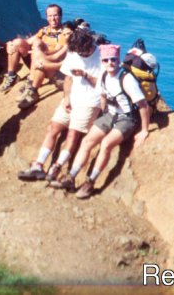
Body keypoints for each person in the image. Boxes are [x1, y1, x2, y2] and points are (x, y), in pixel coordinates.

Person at [52, 43, 151, 199]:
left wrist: (144, 129)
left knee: (105, 145)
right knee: (87, 142)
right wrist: (101, 117)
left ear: (118, 60)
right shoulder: (103, 76)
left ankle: (90, 182)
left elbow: (143, 105)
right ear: (102, 61)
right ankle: (70, 177)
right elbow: (103, 96)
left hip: (126, 118)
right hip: (109, 115)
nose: (110, 63)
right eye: (106, 60)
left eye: (113, 59)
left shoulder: (127, 79)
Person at [17, 26, 103, 183]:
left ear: (90, 45)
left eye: (83, 53)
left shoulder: (103, 57)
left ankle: (57, 166)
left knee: (73, 134)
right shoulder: (73, 51)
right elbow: (69, 78)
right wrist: (67, 97)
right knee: (53, 128)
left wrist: (85, 74)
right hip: (73, 97)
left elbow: (105, 86)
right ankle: (38, 165)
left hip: (90, 101)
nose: (81, 55)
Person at [2, 4, 72, 109]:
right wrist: (10, 44)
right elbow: (27, 42)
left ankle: (32, 86)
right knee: (18, 42)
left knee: (37, 49)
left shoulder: (65, 33)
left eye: (55, 15)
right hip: (39, 61)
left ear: (61, 16)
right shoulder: (44, 30)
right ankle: (12, 75)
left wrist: (39, 54)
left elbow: (58, 55)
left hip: (53, 68)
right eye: (49, 16)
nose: (52, 19)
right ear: (47, 17)